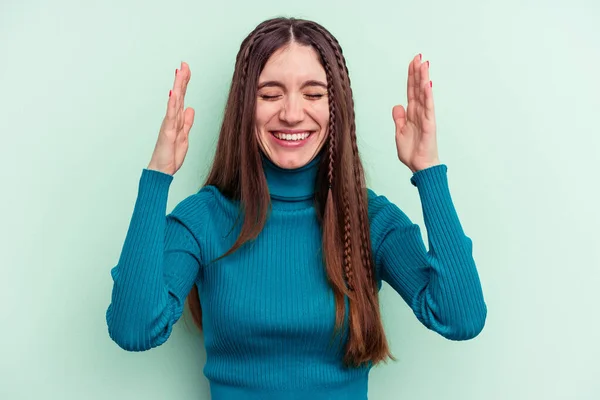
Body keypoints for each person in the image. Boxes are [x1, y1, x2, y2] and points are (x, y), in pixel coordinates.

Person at [106, 17, 487, 400]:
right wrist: (158, 176)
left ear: (335, 107)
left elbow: (460, 317)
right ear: (245, 109)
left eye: (313, 94)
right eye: (270, 94)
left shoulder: (371, 221)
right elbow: (133, 328)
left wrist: (429, 171)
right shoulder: (203, 220)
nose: (291, 113)